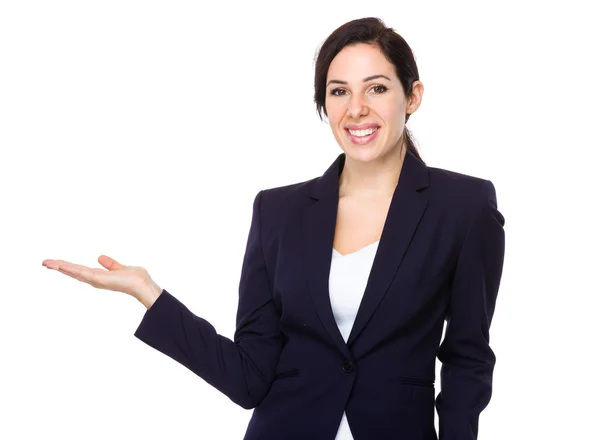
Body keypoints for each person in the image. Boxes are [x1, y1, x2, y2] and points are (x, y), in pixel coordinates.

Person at [42, 16, 505, 440]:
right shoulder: (278, 211)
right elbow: (249, 376)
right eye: (339, 91)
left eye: (377, 88)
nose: (356, 109)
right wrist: (149, 293)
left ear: (414, 96)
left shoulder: (463, 206)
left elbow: (468, 357)